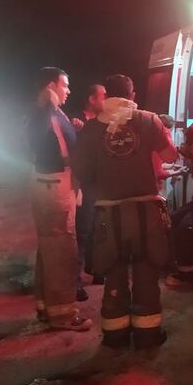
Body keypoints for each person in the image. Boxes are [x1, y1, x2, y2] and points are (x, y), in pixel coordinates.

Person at [72, 74, 177, 349]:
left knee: (114, 275)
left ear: (106, 96)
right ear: (132, 94)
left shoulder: (91, 129)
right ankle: (148, 336)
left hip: (109, 215)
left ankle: (115, 337)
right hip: (145, 213)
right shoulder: (149, 120)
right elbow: (170, 156)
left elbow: (82, 172)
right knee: (146, 273)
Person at [26, 67, 92, 332]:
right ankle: (64, 315)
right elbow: (50, 144)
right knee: (62, 250)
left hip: (47, 184)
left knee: (49, 249)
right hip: (55, 186)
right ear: (51, 86)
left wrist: (73, 128)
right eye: (64, 85)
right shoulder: (45, 112)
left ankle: (46, 307)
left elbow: (56, 141)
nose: (68, 91)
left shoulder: (45, 113)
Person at [71, 84, 107, 294]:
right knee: (82, 231)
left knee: (99, 229)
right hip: (83, 185)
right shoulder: (75, 122)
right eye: (103, 96)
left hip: (100, 185)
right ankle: (74, 280)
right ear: (92, 99)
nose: (107, 99)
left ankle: (96, 269)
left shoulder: (103, 121)